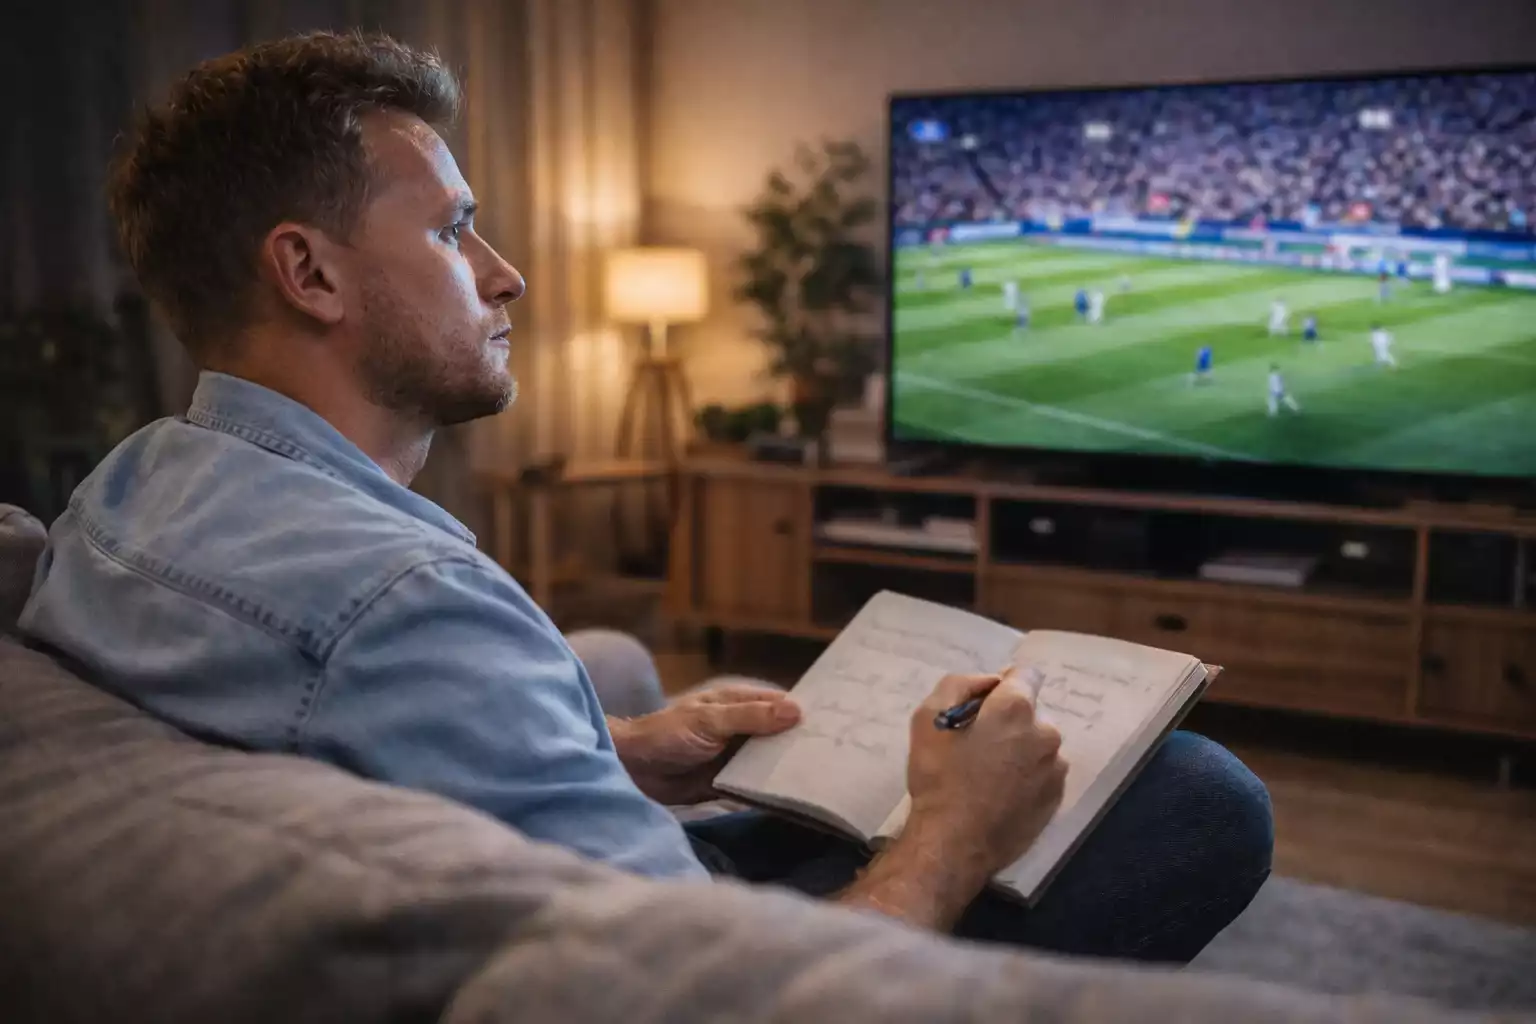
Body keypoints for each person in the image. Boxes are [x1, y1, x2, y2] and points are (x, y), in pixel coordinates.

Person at [19, 31, 1270, 962]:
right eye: (453, 231)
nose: (504, 274)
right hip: (663, 958)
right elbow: (713, 989)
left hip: (544, 885)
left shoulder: (126, 487)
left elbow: (351, 724)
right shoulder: (406, 601)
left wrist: (609, 744)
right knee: (1199, 796)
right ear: (308, 273)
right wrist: (954, 832)